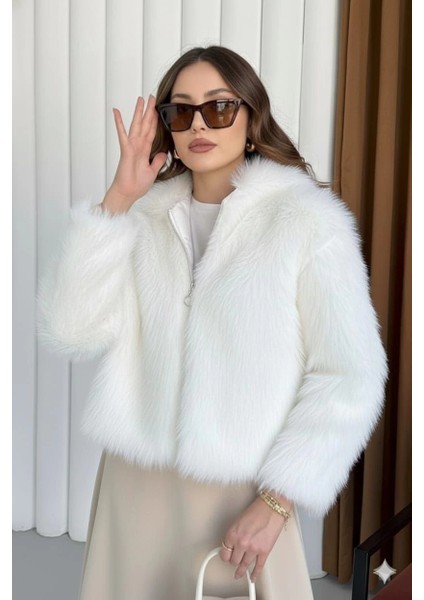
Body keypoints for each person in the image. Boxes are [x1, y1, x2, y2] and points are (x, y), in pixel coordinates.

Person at [37, 46, 388, 599]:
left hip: (243, 492)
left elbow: (349, 375)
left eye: (219, 107)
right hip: (137, 483)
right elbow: (71, 330)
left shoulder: (305, 223)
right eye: (181, 111)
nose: (198, 124)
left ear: (250, 118)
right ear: (169, 129)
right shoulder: (143, 218)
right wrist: (119, 199)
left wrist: (276, 501)